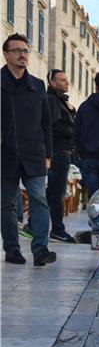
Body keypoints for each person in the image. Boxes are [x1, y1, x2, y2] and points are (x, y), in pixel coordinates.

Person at [0, 34, 57, 266]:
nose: (23, 54)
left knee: (39, 200)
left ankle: (40, 249)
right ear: (6, 54)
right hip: (5, 154)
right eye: (17, 50)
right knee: (7, 204)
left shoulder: (38, 85)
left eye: (26, 50)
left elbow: (46, 123)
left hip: (34, 154)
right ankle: (12, 250)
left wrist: (48, 154)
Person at [45, 69, 77, 243]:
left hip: (61, 151)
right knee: (57, 193)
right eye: (62, 80)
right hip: (59, 151)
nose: (67, 83)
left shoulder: (59, 101)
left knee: (52, 193)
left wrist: (72, 112)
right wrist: (74, 130)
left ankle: (32, 225)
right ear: (53, 83)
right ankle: (57, 229)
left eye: (67, 79)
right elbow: (54, 127)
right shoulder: (52, 100)